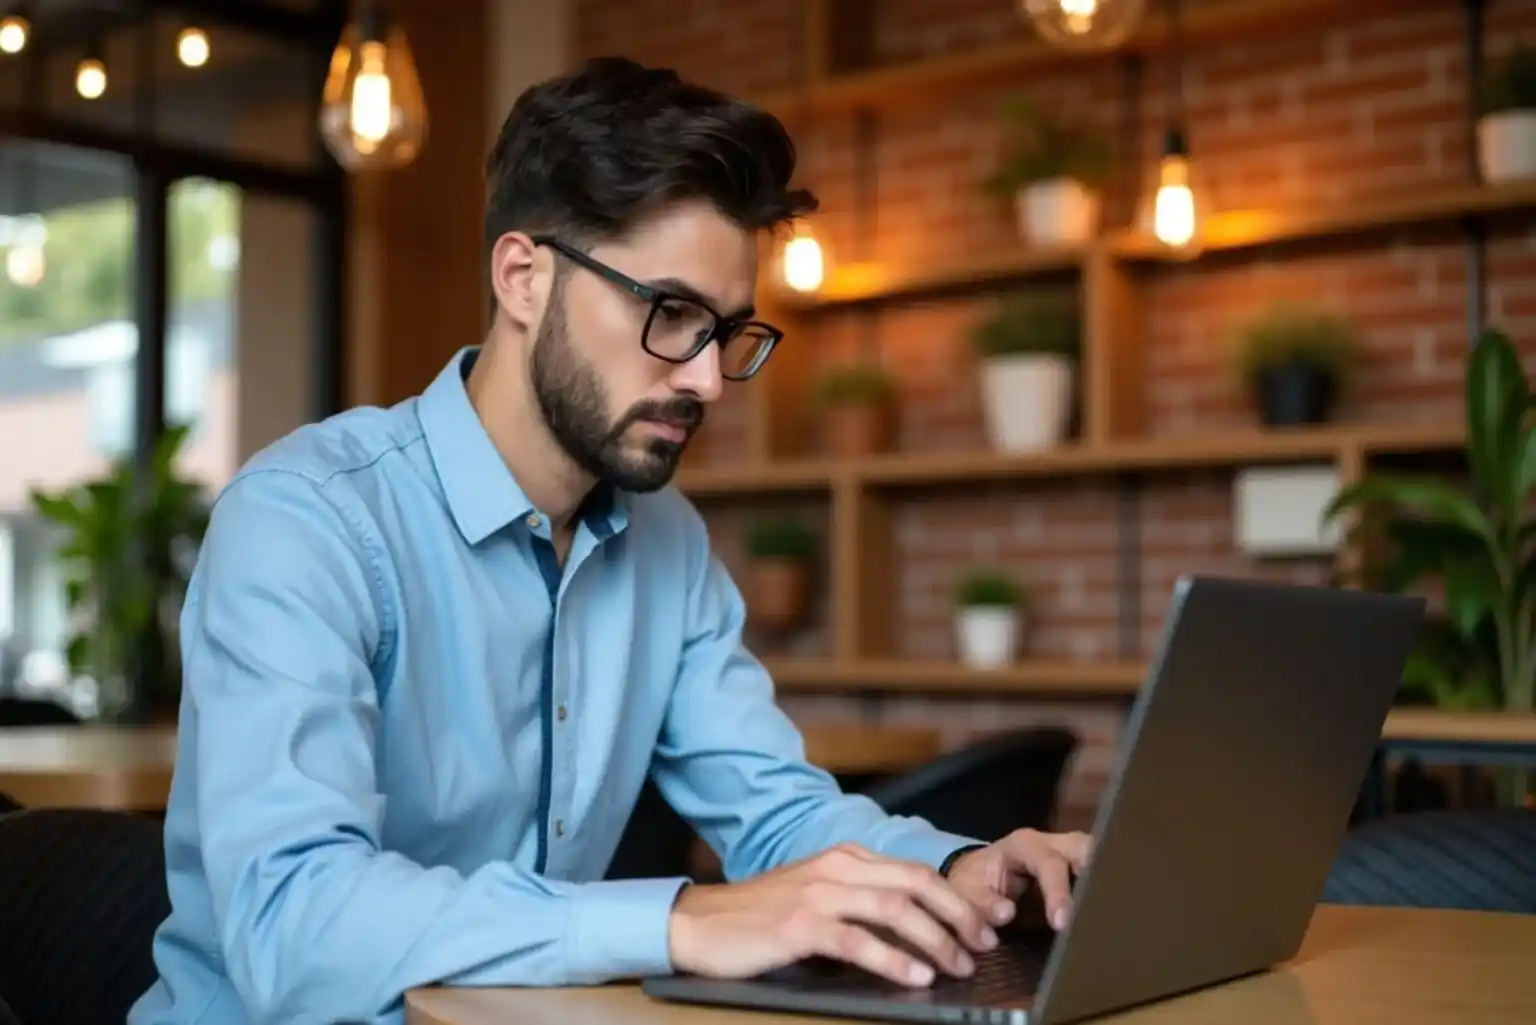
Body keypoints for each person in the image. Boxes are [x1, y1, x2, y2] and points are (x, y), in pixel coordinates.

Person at [128, 56, 1091, 1025]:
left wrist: (965, 866)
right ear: (523, 277)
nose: (709, 380)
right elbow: (296, 924)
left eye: (728, 332)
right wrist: (684, 920)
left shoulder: (667, 540)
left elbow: (779, 812)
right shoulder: (307, 519)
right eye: (670, 313)